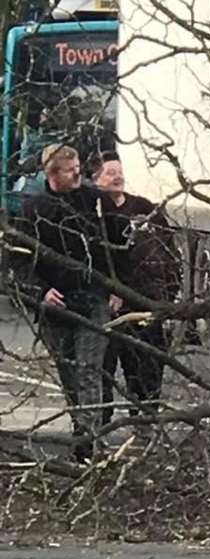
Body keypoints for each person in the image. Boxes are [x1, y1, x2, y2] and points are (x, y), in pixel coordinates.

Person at [16, 145, 125, 459]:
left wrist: (116, 286)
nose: (77, 172)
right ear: (52, 175)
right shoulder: (34, 210)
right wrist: (40, 292)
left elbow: (115, 247)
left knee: (90, 369)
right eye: (69, 169)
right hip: (56, 304)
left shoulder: (95, 201)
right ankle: (83, 432)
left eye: (78, 166)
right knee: (70, 374)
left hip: (93, 297)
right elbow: (17, 262)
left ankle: (89, 443)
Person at [90, 152, 180, 421]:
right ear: (95, 180)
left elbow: (167, 252)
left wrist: (168, 293)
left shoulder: (144, 209)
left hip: (146, 303)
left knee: (148, 368)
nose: (117, 177)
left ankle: (146, 420)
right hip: (109, 309)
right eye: (110, 173)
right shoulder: (92, 214)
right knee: (102, 370)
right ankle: (99, 424)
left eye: (119, 171)